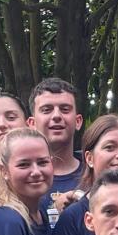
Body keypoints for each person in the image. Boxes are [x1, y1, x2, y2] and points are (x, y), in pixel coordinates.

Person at [30, 77, 87, 205]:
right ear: (32, 123)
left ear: (78, 122)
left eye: (65, 109)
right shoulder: (20, 179)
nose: (56, 116)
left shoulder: (95, 174)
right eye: (47, 110)